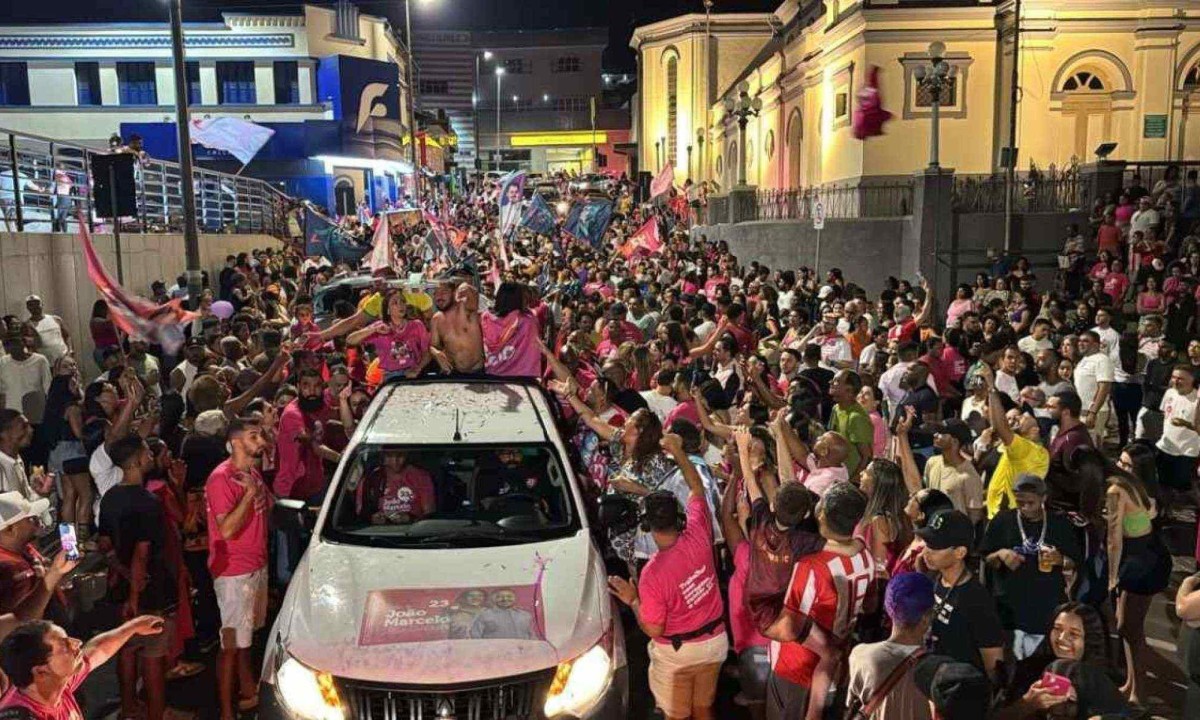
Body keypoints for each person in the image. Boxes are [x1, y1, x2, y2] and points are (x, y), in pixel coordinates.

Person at [608, 433, 728, 720]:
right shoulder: (699, 532)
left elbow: (653, 629)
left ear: (646, 526)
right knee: (703, 708)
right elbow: (696, 486)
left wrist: (633, 600)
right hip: (714, 642)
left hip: (677, 653)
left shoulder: (652, 574)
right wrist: (678, 450)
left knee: (675, 715)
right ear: (680, 517)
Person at [762, 481, 876, 720]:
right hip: (837, 668)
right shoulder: (865, 556)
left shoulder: (812, 566)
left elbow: (789, 626)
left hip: (798, 671)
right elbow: (870, 606)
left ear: (822, 514)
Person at [97, 435, 178, 720]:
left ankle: (129, 707)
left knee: (126, 647)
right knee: (153, 653)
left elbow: (104, 545)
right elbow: (142, 554)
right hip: (147, 589)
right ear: (137, 460)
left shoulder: (109, 497)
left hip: (120, 585)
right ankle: (157, 713)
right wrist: (135, 592)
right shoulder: (148, 502)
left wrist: (120, 574)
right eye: (146, 452)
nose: (150, 456)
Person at [205, 417, 271, 720]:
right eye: (254, 436)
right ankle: (226, 712)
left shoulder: (252, 473)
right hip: (234, 574)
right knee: (230, 644)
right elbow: (227, 530)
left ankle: (247, 692)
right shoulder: (221, 479)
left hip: (255, 567)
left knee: (247, 638)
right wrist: (247, 496)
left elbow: (268, 506)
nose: (261, 441)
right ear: (235, 442)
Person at [981, 473, 1081, 664]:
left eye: (1031, 502)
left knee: (1043, 660)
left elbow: (1075, 562)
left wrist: (1060, 559)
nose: (1025, 507)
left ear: (1044, 498)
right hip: (1009, 606)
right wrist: (1001, 554)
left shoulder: (1059, 524)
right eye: (1020, 502)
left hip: (1046, 603)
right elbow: (986, 558)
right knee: (1012, 661)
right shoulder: (1003, 521)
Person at [0, 616, 165, 720]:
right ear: (41, 671)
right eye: (65, 645)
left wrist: (133, 627)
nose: (78, 643)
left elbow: (97, 649)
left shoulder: (54, 683)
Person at [919, 510, 1005, 680]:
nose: (927, 551)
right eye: (927, 543)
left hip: (958, 689)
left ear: (960, 552)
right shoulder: (932, 577)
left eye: (935, 546)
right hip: (932, 678)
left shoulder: (976, 599)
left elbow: (993, 663)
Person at [845, 572, 934, 720]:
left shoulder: (860, 655)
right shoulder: (936, 669)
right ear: (926, 618)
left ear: (889, 608)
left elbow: (852, 702)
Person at [0, 492, 75, 621]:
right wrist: (54, 573)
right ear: (10, 529)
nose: (37, 518)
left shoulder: (21, 546)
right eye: (30, 518)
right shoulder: (7, 570)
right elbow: (23, 620)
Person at [982, 378, 1049, 518]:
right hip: (999, 513)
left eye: (1027, 416)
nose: (1021, 416)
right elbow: (997, 425)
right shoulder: (1021, 446)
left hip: (1008, 515)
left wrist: (992, 389)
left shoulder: (1029, 449)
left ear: (1035, 430)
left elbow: (1001, 427)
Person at [346, 290, 430, 380]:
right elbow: (350, 340)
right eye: (395, 303)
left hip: (413, 372)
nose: (401, 305)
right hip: (391, 375)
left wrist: (417, 368)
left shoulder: (416, 325)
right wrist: (374, 330)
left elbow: (427, 353)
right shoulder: (380, 326)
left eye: (402, 301)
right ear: (388, 310)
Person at [429, 281, 485, 374]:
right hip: (454, 373)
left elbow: (471, 291)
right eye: (436, 293)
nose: (439, 297)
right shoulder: (436, 319)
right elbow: (433, 346)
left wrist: (462, 286)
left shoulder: (466, 307)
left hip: (478, 372)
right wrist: (436, 353)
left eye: (444, 292)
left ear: (454, 293)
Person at [1074, 330, 1114, 446]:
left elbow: (1104, 387)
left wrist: (1093, 412)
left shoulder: (1102, 360)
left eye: (1085, 341)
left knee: (1092, 448)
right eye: (1079, 341)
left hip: (1094, 413)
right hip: (1081, 412)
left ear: (1096, 344)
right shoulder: (1084, 359)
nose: (1080, 343)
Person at [22, 297, 69, 369]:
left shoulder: (55, 319)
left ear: (42, 304)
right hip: (45, 364)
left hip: (64, 360)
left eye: (37, 304)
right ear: (28, 307)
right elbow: (29, 346)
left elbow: (67, 336)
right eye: (31, 305)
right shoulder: (27, 325)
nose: (35, 307)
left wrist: (70, 351)